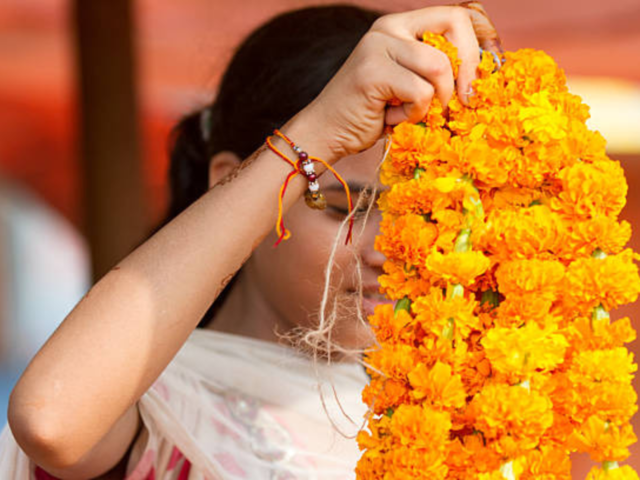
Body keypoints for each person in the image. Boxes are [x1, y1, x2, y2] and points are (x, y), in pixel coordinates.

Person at [0, 3, 502, 479]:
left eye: (426, 215)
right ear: (231, 181)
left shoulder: (461, 418)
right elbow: (50, 421)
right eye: (340, 205)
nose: (389, 252)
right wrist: (316, 135)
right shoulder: (158, 407)